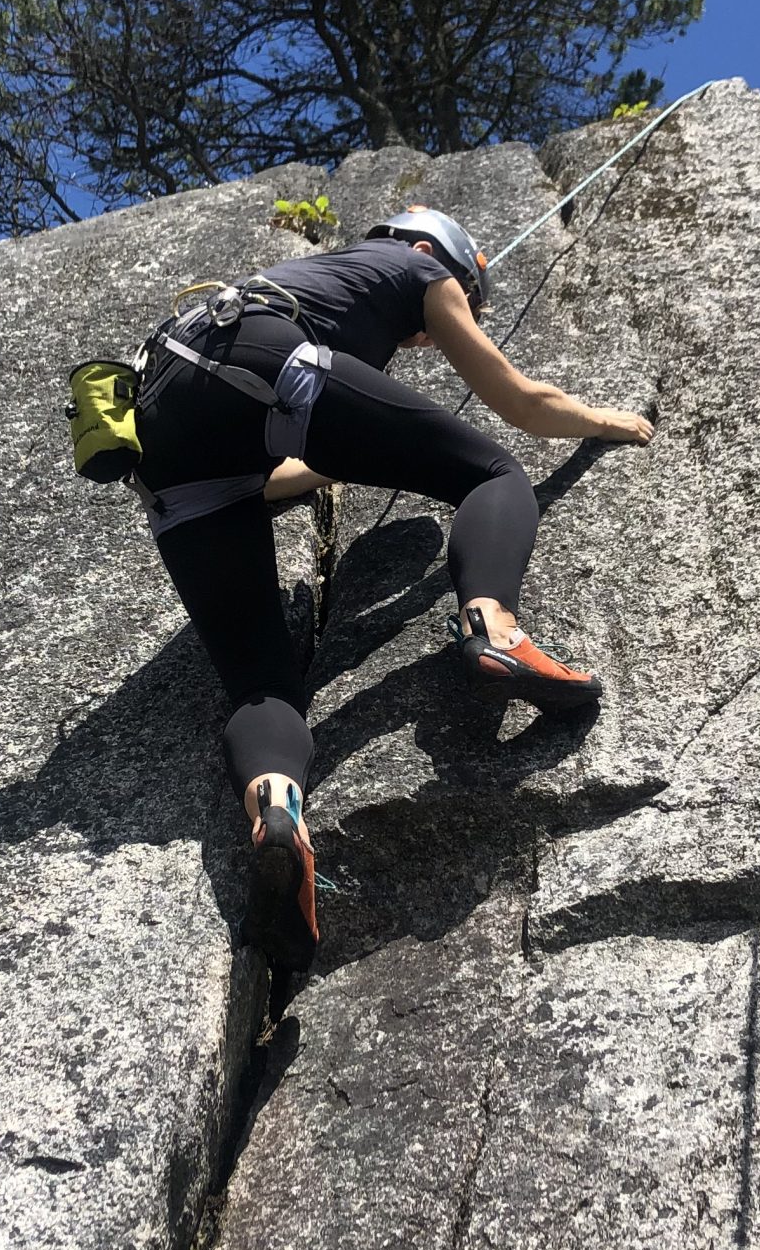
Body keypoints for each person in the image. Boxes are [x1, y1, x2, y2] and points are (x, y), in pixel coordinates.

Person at [132, 207, 653, 969]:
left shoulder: (311, 282)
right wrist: (600, 419)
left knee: (261, 683)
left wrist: (370, 446)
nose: (427, 337)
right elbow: (519, 403)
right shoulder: (418, 270)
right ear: (428, 251)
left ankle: (279, 817)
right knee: (491, 473)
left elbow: (275, 475)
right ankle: (493, 629)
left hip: (163, 442)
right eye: (462, 305)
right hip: (264, 361)